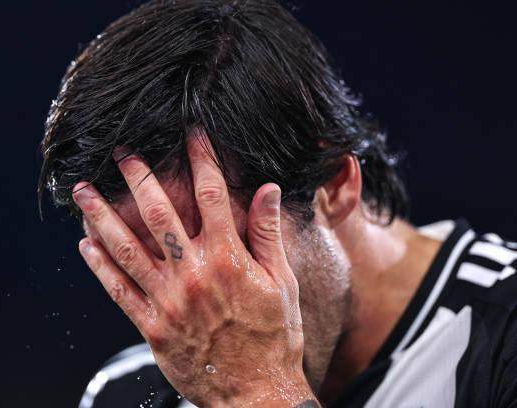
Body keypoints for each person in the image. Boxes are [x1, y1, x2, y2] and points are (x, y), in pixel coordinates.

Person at [37, 1, 517, 407]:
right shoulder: (129, 392)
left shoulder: (501, 340)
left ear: (335, 184)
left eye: (226, 252)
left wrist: (256, 391)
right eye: (144, 267)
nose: (194, 304)